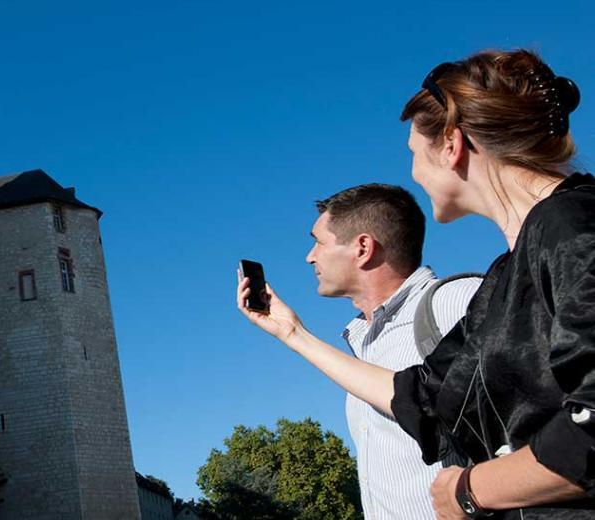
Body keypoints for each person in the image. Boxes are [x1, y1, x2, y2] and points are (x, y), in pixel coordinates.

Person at [238, 50, 594, 519]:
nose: (412, 173)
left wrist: (471, 489)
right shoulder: (506, 276)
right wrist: (293, 334)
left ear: (452, 144)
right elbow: (425, 401)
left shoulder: (572, 226)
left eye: (412, 153)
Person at [303, 183, 480, 519]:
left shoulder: (455, 303)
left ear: (363, 248)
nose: (310, 256)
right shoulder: (363, 341)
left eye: (318, 241)